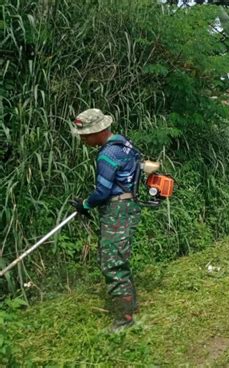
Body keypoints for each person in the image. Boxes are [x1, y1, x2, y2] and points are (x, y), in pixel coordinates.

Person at [70, 108, 141, 332]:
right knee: (119, 258)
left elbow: (101, 192)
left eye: (85, 135)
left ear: (98, 132)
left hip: (117, 209)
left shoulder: (107, 155)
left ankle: (124, 320)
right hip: (128, 205)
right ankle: (131, 305)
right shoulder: (124, 143)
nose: (82, 139)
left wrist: (85, 205)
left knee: (112, 263)